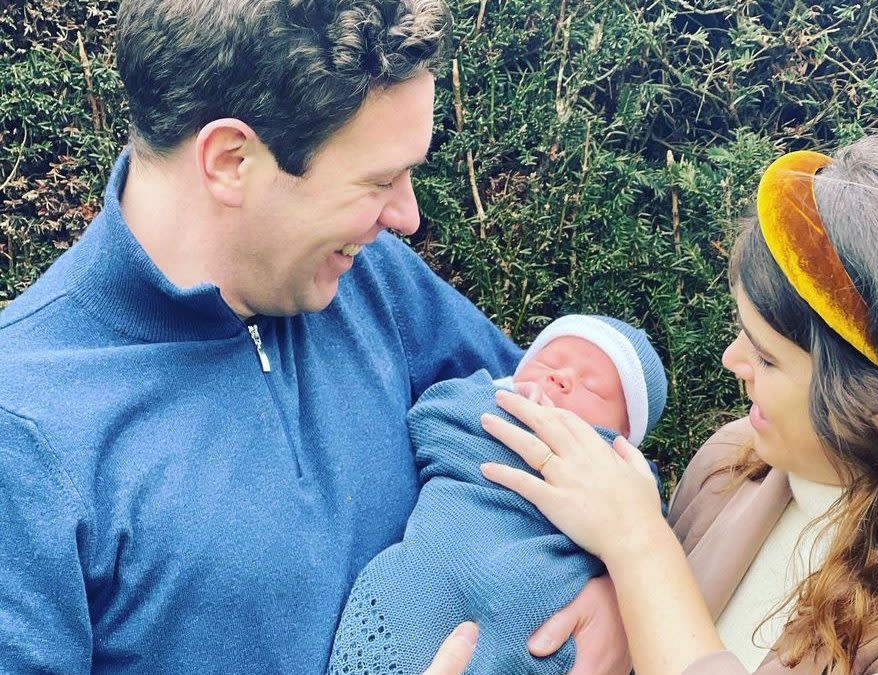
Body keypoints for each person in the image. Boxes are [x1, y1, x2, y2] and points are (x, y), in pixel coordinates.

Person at [0, 1, 630, 673]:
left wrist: (618, 594)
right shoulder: (27, 435)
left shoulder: (366, 278)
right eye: (381, 180)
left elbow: (588, 447)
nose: (408, 216)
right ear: (232, 160)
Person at [480, 131, 878, 674]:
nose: (730, 362)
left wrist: (639, 549)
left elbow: (658, 580)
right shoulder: (735, 462)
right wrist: (615, 596)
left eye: (767, 357)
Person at [329, 315, 668, 674]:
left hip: (540, 619)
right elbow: (434, 415)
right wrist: (500, 403)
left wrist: (623, 595)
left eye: (593, 387)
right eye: (548, 363)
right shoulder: (479, 402)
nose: (561, 377)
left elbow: (642, 525)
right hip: (421, 581)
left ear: (625, 433)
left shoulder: (624, 474)